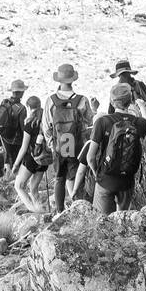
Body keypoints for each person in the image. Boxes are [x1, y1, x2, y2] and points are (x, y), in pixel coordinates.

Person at [88, 83, 146, 214]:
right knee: (121, 221)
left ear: (112, 101)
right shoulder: (138, 122)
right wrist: (142, 107)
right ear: (130, 101)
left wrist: (97, 174)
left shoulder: (102, 122)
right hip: (126, 180)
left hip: (105, 179)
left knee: (102, 223)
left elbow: (90, 157)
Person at [42, 63, 93, 213]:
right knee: (74, 177)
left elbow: (46, 126)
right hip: (77, 146)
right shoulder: (82, 100)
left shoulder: (50, 101)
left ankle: (59, 212)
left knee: (59, 178)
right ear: (73, 79)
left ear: (59, 80)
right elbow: (89, 123)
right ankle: (77, 208)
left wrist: (52, 145)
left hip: (58, 146)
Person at [11, 96, 50, 213]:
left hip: (32, 159)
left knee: (19, 186)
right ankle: (41, 212)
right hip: (45, 159)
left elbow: (24, 147)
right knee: (33, 188)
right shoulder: (47, 120)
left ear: (28, 107)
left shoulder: (30, 124)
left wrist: (16, 164)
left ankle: (33, 210)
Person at [0, 80, 28, 172]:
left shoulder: (4, 102)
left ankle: (7, 177)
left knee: (8, 158)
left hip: (4, 136)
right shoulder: (21, 108)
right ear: (21, 93)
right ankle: (15, 179)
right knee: (18, 162)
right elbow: (22, 128)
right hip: (16, 139)